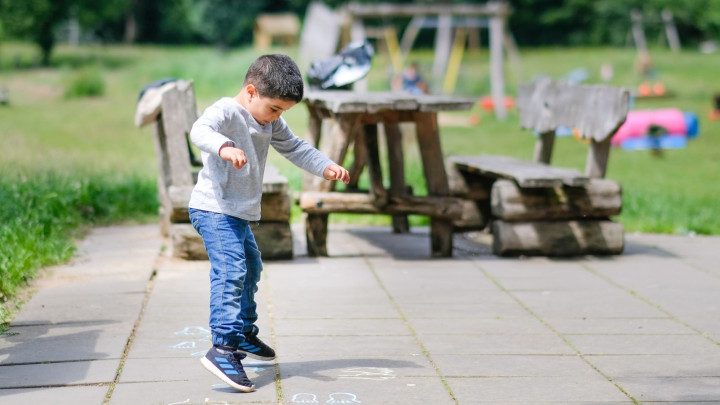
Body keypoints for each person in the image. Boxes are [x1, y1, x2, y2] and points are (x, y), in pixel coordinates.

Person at [188, 54, 350, 392]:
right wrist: (224, 147)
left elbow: (296, 148)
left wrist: (326, 166)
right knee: (232, 271)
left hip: (237, 211)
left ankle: (244, 333)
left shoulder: (270, 121)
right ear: (250, 91)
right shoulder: (227, 111)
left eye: (283, 112)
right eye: (275, 109)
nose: (277, 118)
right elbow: (199, 130)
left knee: (251, 267)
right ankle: (223, 347)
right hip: (214, 208)